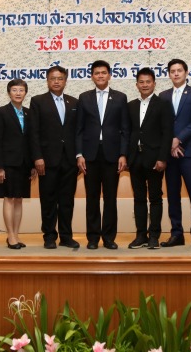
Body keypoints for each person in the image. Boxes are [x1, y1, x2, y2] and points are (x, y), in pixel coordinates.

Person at [76, 60, 130, 250]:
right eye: (96, 73)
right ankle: (92, 238)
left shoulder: (120, 97)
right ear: (92, 76)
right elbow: (79, 129)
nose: (100, 76)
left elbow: (125, 129)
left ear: (109, 75)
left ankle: (108, 238)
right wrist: (79, 154)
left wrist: (123, 154)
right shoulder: (84, 98)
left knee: (110, 198)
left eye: (103, 73)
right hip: (89, 156)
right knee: (91, 198)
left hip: (112, 156)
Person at [28, 66, 80, 249]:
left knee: (67, 200)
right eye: (53, 78)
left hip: (69, 161)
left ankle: (66, 236)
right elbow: (33, 132)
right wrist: (37, 157)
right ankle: (49, 236)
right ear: (47, 81)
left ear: (65, 81)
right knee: (48, 200)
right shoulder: (37, 101)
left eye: (60, 78)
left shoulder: (74, 102)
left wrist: (78, 156)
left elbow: (78, 133)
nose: (56, 81)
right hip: (47, 160)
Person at [158, 59, 191, 249]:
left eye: (179, 70)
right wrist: (170, 142)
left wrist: (179, 139)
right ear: (169, 74)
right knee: (173, 195)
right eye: (172, 71)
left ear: (186, 72)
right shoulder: (163, 95)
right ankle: (176, 233)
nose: (176, 74)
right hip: (170, 153)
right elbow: (161, 123)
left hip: (190, 152)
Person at [127, 68, 173, 250]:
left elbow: (167, 133)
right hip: (135, 159)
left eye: (148, 82)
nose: (145, 85)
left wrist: (163, 158)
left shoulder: (163, 104)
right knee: (138, 198)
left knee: (155, 198)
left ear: (154, 83)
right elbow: (127, 132)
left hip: (155, 159)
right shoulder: (130, 105)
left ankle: (154, 235)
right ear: (137, 84)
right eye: (141, 82)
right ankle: (141, 235)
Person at [0, 79, 36, 249]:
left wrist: (33, 164)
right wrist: (0, 167)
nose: (18, 93)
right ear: (9, 92)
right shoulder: (1, 112)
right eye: (14, 90)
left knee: (19, 199)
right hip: (8, 163)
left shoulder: (29, 113)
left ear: (25, 93)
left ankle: (16, 235)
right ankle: (10, 235)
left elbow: (32, 140)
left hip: (25, 164)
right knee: (9, 198)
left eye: (21, 90)